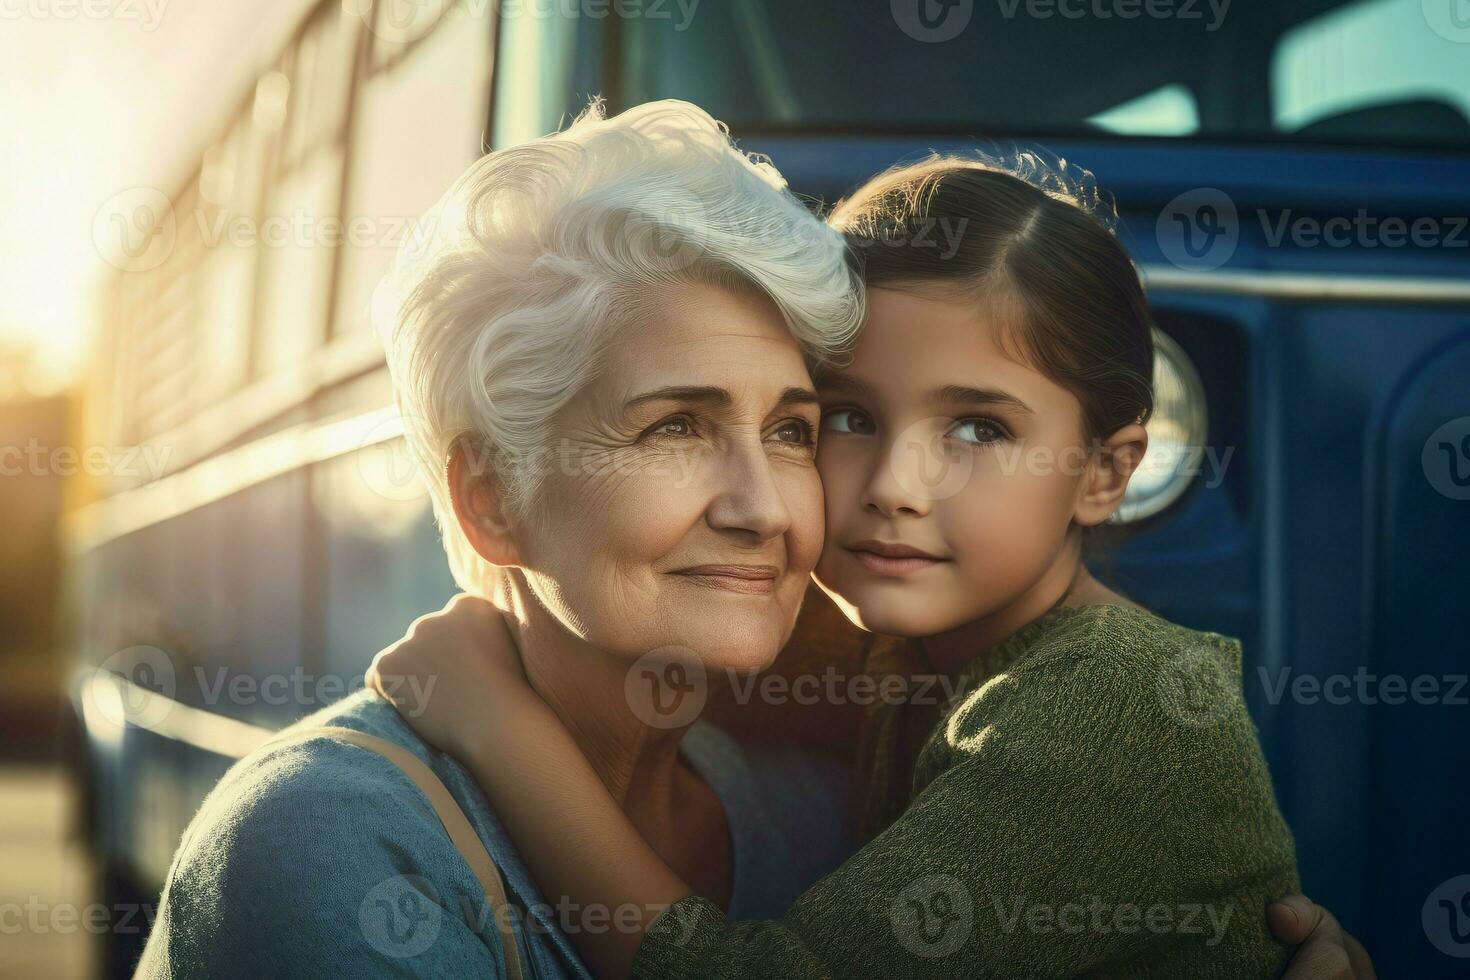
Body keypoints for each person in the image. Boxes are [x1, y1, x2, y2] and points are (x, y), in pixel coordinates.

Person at [370, 156, 1374, 978]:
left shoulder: (1114, 706)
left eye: (978, 425)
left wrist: (499, 725)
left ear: (1106, 470)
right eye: (846, 417)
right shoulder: (910, 646)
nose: (895, 483)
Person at [135, 99, 866, 978]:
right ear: (492, 500)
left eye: (791, 433)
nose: (767, 509)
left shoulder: (819, 820)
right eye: (675, 427)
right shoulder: (328, 839)